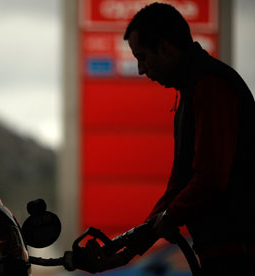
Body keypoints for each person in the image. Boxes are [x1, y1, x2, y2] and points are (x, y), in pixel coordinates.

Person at [76, 2, 255, 275]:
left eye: (143, 57)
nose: (140, 69)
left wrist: (168, 218)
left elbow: (211, 178)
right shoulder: (193, 89)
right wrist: (129, 250)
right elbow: (180, 185)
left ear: (166, 48)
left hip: (237, 253)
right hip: (221, 251)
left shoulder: (211, 86)